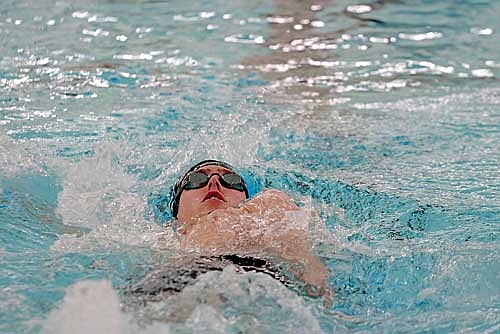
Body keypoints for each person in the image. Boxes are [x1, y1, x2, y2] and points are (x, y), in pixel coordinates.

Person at [168, 159, 331, 298]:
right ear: (177, 209)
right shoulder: (157, 240)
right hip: (183, 279)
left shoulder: (269, 211)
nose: (214, 182)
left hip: (262, 283)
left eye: (231, 180)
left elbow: (315, 284)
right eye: (196, 178)